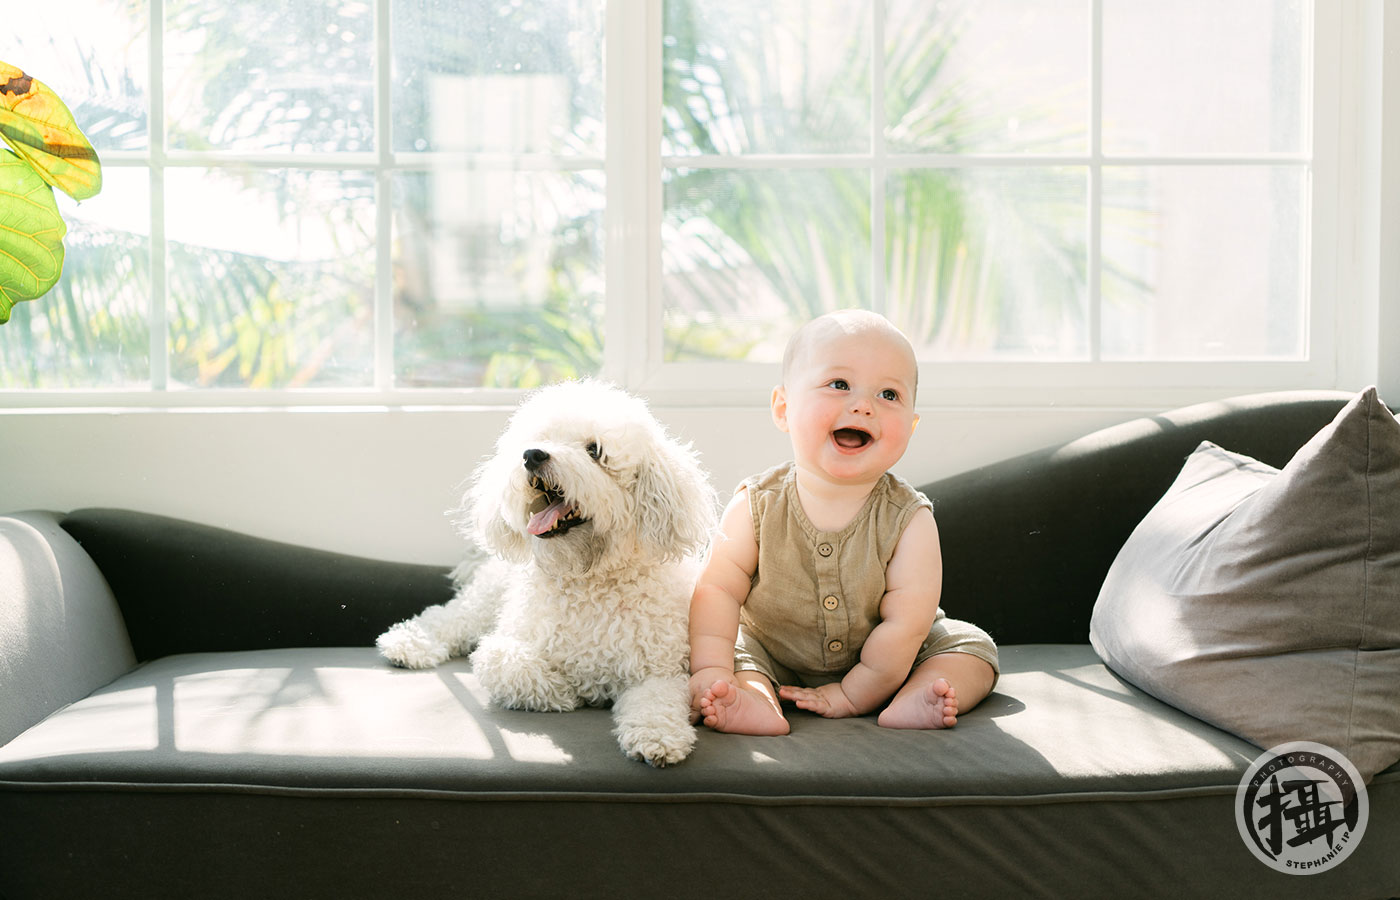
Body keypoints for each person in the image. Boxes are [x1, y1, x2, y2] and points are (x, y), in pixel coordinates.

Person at [688, 309, 998, 735]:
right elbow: (717, 589)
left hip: (893, 664)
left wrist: (854, 693)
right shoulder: (756, 504)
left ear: (910, 426)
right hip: (772, 651)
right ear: (783, 408)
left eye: (888, 395)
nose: (863, 405)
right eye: (839, 385)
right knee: (737, 651)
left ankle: (920, 695)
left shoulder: (910, 519)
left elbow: (905, 625)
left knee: (971, 648)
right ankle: (752, 700)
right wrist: (708, 668)